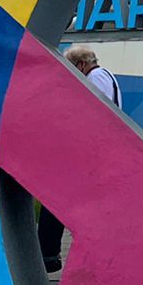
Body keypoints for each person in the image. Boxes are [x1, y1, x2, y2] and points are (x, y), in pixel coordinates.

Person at [40, 44, 122, 273]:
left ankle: (49, 254)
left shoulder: (94, 79)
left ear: (81, 64)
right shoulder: (108, 76)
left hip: (87, 154)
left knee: (54, 199)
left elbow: (92, 113)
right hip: (100, 152)